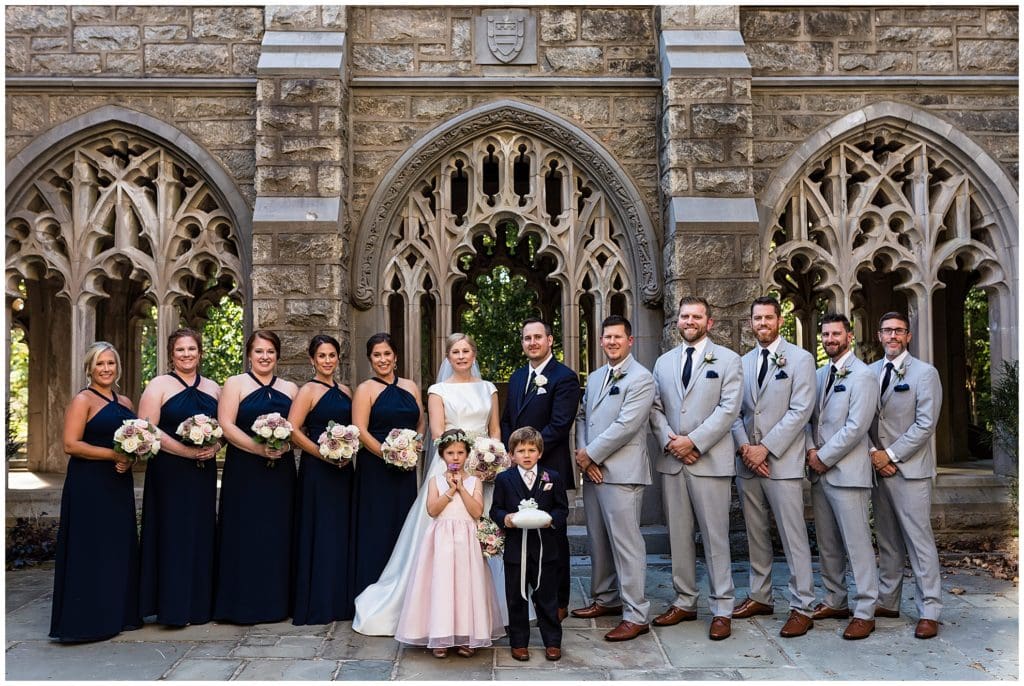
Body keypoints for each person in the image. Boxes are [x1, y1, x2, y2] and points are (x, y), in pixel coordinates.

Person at [353, 333, 500, 635]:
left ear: (474, 355)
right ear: (448, 358)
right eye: (455, 352)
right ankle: (439, 611)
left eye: (466, 351)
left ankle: (486, 611)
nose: (461, 356)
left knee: (482, 533)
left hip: (483, 471)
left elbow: (494, 428)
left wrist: (491, 458)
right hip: (451, 465)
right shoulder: (437, 390)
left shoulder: (489, 389)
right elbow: (436, 434)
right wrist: (462, 463)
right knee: (443, 532)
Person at [650, 296, 742, 641]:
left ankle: (722, 607)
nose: (690, 321)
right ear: (679, 321)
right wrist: (671, 441)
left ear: (709, 322)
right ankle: (685, 600)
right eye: (685, 316)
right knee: (679, 537)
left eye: (696, 316)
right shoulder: (664, 362)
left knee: (716, 538)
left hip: (710, 461)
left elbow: (729, 409)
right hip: (673, 461)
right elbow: (654, 408)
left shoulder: (729, 360)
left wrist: (695, 442)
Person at [730, 296, 817, 638]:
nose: (762, 323)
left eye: (768, 317)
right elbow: (734, 411)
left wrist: (765, 449)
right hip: (748, 461)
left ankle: (802, 605)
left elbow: (801, 411)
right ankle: (760, 595)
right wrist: (746, 448)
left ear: (779, 321)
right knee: (755, 534)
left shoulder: (800, 359)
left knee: (793, 537)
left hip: (781, 461)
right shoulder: (742, 362)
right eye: (757, 318)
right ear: (751, 322)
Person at [50, 342, 142, 641]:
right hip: (88, 484)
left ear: (117, 368)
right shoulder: (83, 400)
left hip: (118, 484)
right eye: (100, 364)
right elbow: (71, 445)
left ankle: (117, 613)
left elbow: (133, 442)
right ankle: (86, 621)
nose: (106, 369)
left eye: (111, 364)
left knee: (117, 546)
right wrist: (113, 456)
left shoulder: (126, 402)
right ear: (89, 368)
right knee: (89, 547)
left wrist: (128, 459)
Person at [571, 315, 654, 642]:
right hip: (592, 471)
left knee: (627, 544)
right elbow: (581, 417)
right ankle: (605, 598)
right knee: (599, 540)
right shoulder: (594, 378)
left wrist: (591, 454)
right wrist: (582, 454)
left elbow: (627, 425)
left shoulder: (641, 378)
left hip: (622, 473)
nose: (612, 342)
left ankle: (636, 613)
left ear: (630, 340)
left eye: (618, 337)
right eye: (607, 337)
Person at [214, 330, 299, 624]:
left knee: (278, 532)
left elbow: (298, 429)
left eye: (270, 352)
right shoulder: (235, 383)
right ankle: (242, 604)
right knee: (245, 532)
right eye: (259, 351)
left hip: (280, 473)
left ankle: (277, 603)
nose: (265, 357)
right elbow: (226, 424)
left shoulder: (290, 389)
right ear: (249, 354)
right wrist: (258, 448)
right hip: (245, 471)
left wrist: (285, 445)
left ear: (278, 355)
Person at [138, 328, 222, 627]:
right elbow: (147, 427)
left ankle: (200, 606)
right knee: (172, 533)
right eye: (180, 350)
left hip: (202, 471)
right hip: (169, 470)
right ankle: (172, 607)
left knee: (201, 532)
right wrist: (184, 452)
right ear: (171, 354)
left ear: (200, 352)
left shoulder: (213, 388)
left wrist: (215, 445)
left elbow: (222, 427)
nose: (187, 355)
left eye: (192, 349)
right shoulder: (158, 385)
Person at [396, 429, 504, 657]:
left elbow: (476, 511)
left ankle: (466, 636)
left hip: (467, 540)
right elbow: (432, 510)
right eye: (450, 453)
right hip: (442, 539)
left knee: (466, 585)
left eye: (460, 453)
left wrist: (461, 488)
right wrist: (449, 491)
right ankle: (440, 635)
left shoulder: (475, 481)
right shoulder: (436, 481)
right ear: (442, 455)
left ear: (467, 455)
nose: (455, 458)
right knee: (443, 585)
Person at [868, 312, 943, 640]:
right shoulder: (869, 373)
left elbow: (925, 425)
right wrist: (874, 455)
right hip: (878, 470)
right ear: (879, 335)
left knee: (918, 541)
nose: (892, 336)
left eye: (898, 331)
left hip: (910, 471)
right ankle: (889, 599)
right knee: (887, 540)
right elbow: (862, 420)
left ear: (908, 336)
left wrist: (892, 455)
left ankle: (930, 609)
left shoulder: (925, 374)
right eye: (887, 331)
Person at [501, 318, 580, 621]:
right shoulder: (519, 376)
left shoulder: (565, 377)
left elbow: (560, 426)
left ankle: (558, 601)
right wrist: (512, 452)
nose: (532, 342)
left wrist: (527, 452)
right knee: (520, 534)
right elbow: (509, 417)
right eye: (526, 338)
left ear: (550, 340)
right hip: (517, 470)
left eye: (538, 337)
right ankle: (523, 600)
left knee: (552, 534)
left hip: (549, 468)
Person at [806, 313, 879, 640]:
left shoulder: (863, 376)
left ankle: (865, 609)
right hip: (820, 473)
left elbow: (857, 426)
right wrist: (810, 451)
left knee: (857, 544)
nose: (830, 339)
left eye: (836, 334)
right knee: (828, 543)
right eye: (825, 334)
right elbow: (807, 419)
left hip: (847, 473)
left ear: (849, 336)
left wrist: (823, 456)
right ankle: (835, 599)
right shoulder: (820, 374)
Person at [288, 334, 356, 625]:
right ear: (312, 360)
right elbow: (293, 430)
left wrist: (347, 450)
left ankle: (341, 601)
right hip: (318, 471)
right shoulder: (308, 391)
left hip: (344, 471)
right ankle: (318, 602)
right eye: (322, 356)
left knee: (342, 532)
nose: (327, 361)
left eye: (332, 355)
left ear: (338, 358)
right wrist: (321, 453)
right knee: (321, 532)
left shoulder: (346, 391)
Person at [350, 332, 425, 600]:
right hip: (376, 469)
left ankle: (405, 592)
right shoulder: (365, 389)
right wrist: (388, 453)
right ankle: (374, 591)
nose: (383, 359)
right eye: (377, 355)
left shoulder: (410, 386)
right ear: (370, 359)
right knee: (377, 526)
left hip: (405, 470)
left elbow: (420, 420)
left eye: (387, 354)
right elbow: (360, 428)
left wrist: (413, 443)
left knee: (404, 525)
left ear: (396, 356)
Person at [491, 426, 569, 662]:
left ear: (540, 453)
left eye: (531, 450)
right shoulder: (504, 479)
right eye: (521, 450)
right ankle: (519, 642)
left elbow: (561, 509)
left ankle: (553, 641)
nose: (526, 455)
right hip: (516, 548)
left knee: (547, 595)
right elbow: (496, 508)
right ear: (512, 455)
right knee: (516, 595)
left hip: (545, 548)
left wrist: (550, 521)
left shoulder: (551, 477)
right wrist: (506, 519)